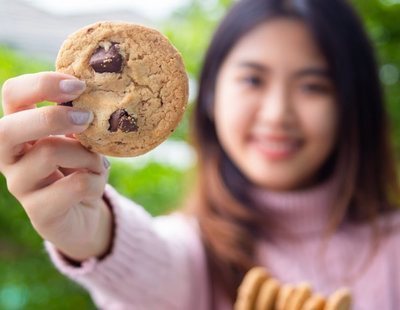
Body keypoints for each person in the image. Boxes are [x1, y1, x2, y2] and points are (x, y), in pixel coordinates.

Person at [1, 0, 399, 308]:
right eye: (252, 79)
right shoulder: (191, 253)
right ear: (209, 96)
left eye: (314, 86)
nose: (278, 113)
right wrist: (90, 232)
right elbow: (151, 269)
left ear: (353, 103)